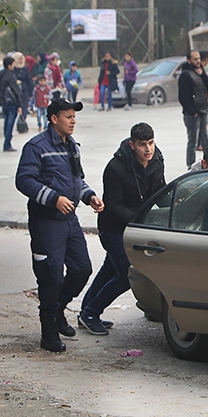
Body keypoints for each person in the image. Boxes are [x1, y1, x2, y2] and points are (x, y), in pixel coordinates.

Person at [15, 98, 104, 352]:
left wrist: (89, 196)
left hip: (70, 221)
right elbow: (24, 180)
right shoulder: (36, 147)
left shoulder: (72, 145)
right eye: (68, 116)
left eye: (74, 117)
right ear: (54, 119)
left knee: (81, 269)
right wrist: (54, 199)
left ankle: (58, 311)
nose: (73, 121)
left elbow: (78, 179)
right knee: (50, 277)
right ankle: (48, 332)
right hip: (46, 223)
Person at [79, 123, 165, 335]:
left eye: (151, 143)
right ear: (132, 144)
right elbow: (113, 206)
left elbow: (159, 191)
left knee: (110, 268)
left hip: (135, 227)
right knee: (126, 273)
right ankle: (92, 312)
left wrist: (176, 203)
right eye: (142, 144)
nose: (148, 149)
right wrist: (139, 220)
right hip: (113, 228)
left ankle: (85, 312)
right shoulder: (115, 167)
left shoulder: (156, 160)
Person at [179, 50, 208, 169]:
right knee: (192, 142)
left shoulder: (201, 72)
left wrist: (202, 73)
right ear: (189, 60)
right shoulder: (186, 75)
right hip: (193, 114)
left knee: (206, 140)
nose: (198, 61)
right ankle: (191, 166)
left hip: (203, 111)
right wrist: (192, 112)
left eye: (199, 58)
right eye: (195, 59)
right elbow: (183, 97)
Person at [1, 56, 23, 152]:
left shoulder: (1, 74)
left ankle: (7, 142)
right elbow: (15, 90)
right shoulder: (10, 76)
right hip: (12, 102)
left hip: (3, 102)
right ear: (9, 65)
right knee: (10, 122)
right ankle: (7, 143)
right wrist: (19, 104)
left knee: (6, 121)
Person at [12, 51, 33, 120]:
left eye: (22, 59)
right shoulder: (12, 69)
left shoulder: (25, 69)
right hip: (15, 91)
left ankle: (22, 122)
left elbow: (28, 80)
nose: (21, 61)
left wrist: (30, 93)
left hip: (24, 90)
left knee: (24, 107)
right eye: (19, 59)